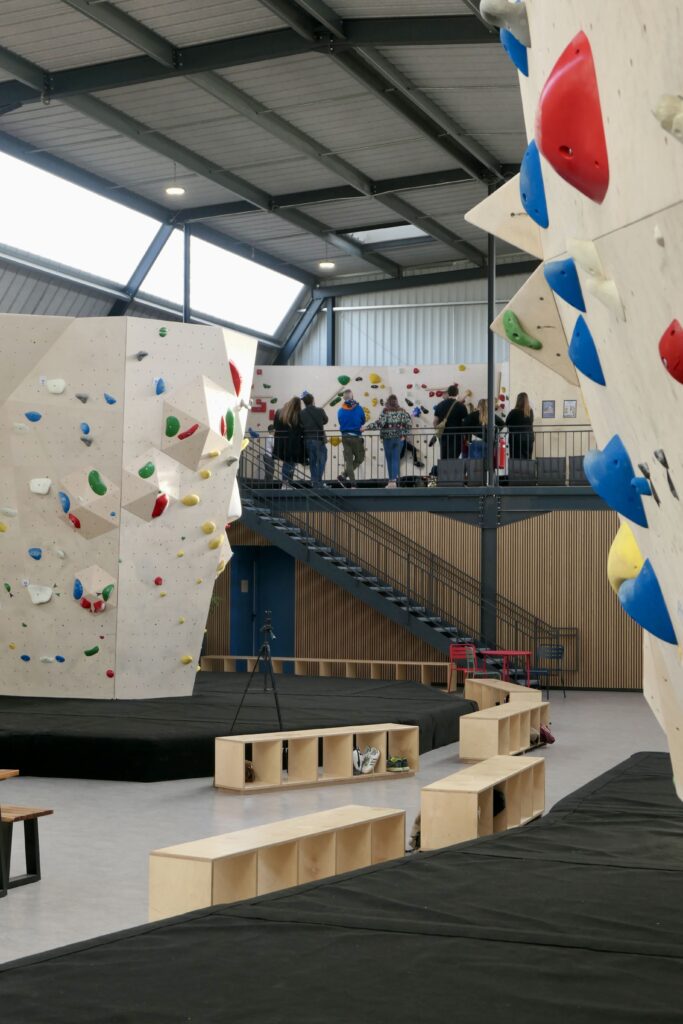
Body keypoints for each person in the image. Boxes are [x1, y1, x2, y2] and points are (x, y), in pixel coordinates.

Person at [362, 394, 412, 488]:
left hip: (387, 439)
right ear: (396, 402)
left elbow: (379, 423)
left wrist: (366, 427)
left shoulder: (386, 411)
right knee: (396, 459)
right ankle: (393, 481)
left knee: (389, 460)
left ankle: (391, 481)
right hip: (399, 438)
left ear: (387, 402)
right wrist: (404, 435)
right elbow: (409, 424)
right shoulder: (403, 411)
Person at [273, 397, 304, 486]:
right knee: (290, 463)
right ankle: (286, 483)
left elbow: (275, 425)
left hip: (281, 442)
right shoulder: (297, 414)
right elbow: (300, 428)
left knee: (288, 463)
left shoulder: (280, 412)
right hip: (293, 442)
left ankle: (287, 483)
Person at [337, 389, 366, 485]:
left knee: (349, 461)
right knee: (360, 458)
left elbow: (341, 422)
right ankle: (344, 476)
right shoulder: (359, 408)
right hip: (356, 437)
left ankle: (352, 483)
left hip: (344, 437)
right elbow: (363, 421)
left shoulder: (340, 410)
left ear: (344, 398)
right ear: (352, 397)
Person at [300, 392, 328, 486]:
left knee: (312, 461)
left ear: (304, 402)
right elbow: (325, 420)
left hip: (307, 439)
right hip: (318, 439)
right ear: (312, 400)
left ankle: (314, 481)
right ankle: (318, 481)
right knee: (322, 460)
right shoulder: (320, 410)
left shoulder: (302, 413)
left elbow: (300, 425)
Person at [433, 384, 467, 460]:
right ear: (457, 394)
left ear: (448, 393)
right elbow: (465, 422)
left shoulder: (440, 405)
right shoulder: (461, 406)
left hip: (443, 435)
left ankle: (444, 471)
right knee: (454, 457)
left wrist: (437, 430)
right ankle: (452, 471)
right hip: (457, 435)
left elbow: (435, 421)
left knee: (444, 456)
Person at [506, 391, 535, 459]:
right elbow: (531, 422)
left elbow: (507, 423)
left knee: (515, 460)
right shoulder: (530, 412)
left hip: (516, 439)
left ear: (518, 400)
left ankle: (516, 470)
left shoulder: (513, 412)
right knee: (527, 459)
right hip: (528, 438)